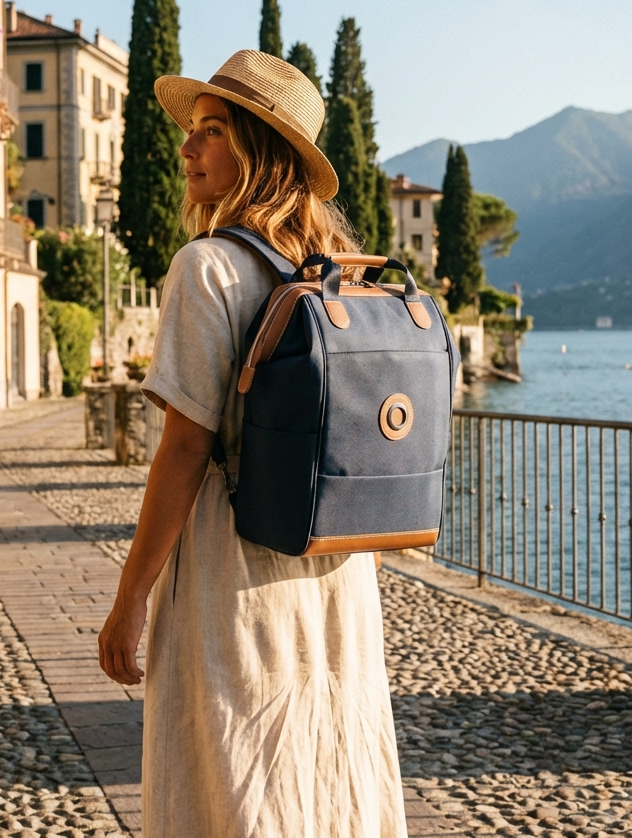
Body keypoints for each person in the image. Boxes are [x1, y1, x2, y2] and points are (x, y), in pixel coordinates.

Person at [98, 50, 408, 838]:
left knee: (233, 782)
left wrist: (131, 598)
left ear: (259, 152)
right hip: (336, 576)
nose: (185, 149)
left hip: (232, 575)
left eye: (210, 132)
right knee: (327, 777)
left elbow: (184, 448)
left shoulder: (208, 269)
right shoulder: (342, 275)